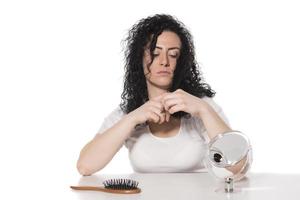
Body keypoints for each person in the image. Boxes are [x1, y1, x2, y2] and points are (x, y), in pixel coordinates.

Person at [76, 14, 236, 176]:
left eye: (173, 54)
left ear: (181, 61)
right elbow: (85, 166)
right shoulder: (127, 113)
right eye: (155, 53)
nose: (164, 61)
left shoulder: (201, 105)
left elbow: (236, 165)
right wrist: (133, 118)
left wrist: (204, 110)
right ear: (139, 58)